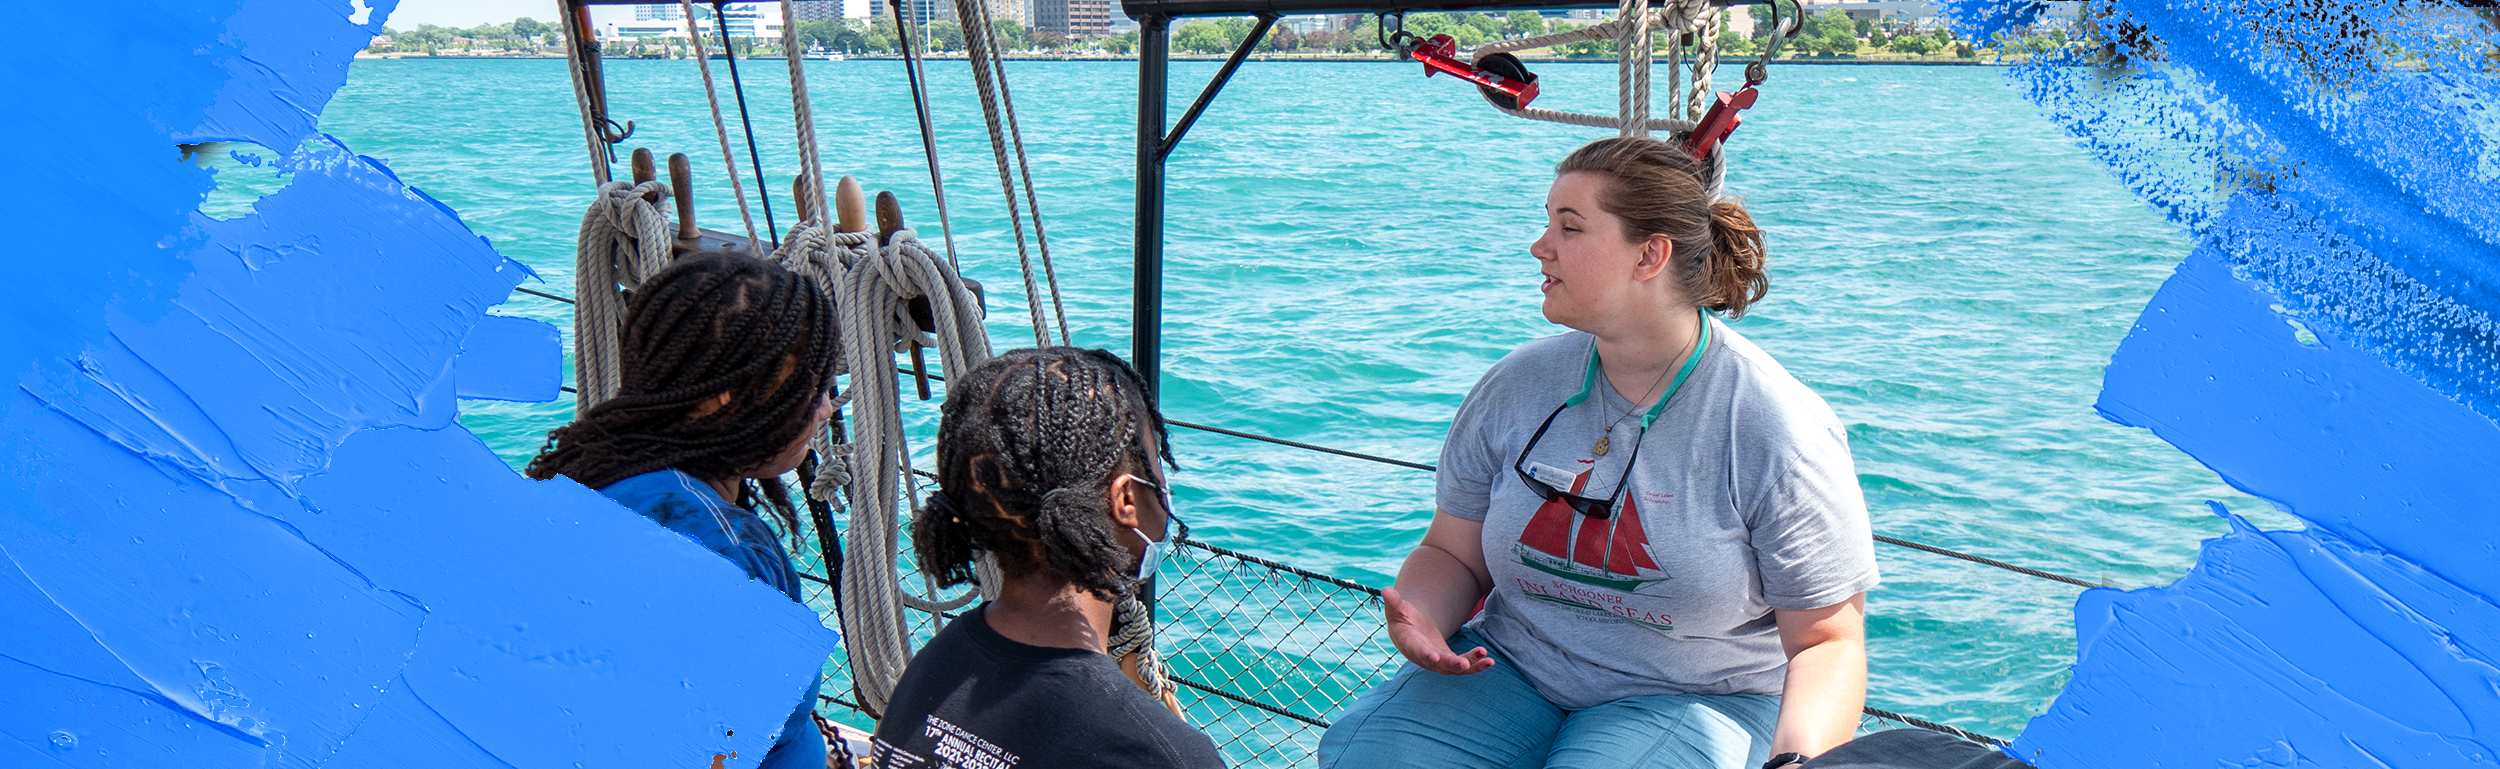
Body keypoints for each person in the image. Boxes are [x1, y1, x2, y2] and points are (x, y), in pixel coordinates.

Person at [1316, 137, 1879, 769]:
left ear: (1650, 255)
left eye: (1570, 227)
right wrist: (1422, 619)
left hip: (1695, 698)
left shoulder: (1776, 425)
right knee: (1365, 756)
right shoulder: (1517, 384)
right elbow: (1452, 553)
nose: (1540, 246)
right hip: (1515, 667)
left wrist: (1796, 763)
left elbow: (1827, 641)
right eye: (1546, 223)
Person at [525, 249, 838, 769]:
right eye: (812, 387)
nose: (827, 407)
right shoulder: (722, 550)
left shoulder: (587, 474)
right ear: (724, 395)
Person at [868, 347, 1225, 769]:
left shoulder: (937, 666)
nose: (1164, 489)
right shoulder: (1157, 752)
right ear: (1126, 499)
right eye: (1157, 469)